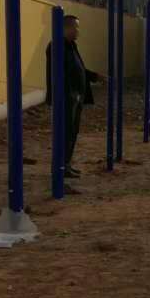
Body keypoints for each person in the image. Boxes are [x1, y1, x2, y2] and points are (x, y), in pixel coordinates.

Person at [45, 14, 101, 178]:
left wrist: (95, 76)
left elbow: (78, 69)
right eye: (76, 27)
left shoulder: (70, 46)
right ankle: (60, 167)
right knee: (65, 133)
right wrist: (70, 94)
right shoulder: (56, 46)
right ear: (66, 28)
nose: (78, 31)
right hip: (66, 99)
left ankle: (66, 165)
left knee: (72, 132)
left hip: (75, 98)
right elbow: (60, 74)